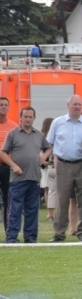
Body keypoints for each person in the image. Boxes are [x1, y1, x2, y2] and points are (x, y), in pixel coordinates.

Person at [0, 106, 50, 243]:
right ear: (20, 118)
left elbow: (49, 148)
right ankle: (11, 238)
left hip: (34, 178)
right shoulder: (13, 133)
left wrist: (44, 156)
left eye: (30, 117)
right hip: (17, 179)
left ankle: (31, 238)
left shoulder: (38, 135)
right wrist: (13, 165)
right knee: (15, 210)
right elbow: (3, 152)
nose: (28, 119)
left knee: (32, 211)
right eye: (25, 117)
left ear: (34, 118)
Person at [47, 95, 82, 242]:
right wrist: (53, 160)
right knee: (62, 200)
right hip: (63, 165)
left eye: (80, 104)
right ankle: (59, 233)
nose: (77, 107)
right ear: (68, 106)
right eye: (74, 104)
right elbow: (49, 143)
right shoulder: (57, 123)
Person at [0, 96, 18, 233]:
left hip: (7, 168)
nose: (3, 107)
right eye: (1, 104)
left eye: (6, 105)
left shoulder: (13, 128)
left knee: (8, 200)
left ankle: (9, 232)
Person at [39, 117, 55, 221]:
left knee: (47, 190)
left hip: (44, 167)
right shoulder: (53, 137)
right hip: (52, 165)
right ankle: (52, 213)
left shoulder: (41, 137)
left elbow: (39, 153)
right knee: (53, 190)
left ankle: (49, 214)